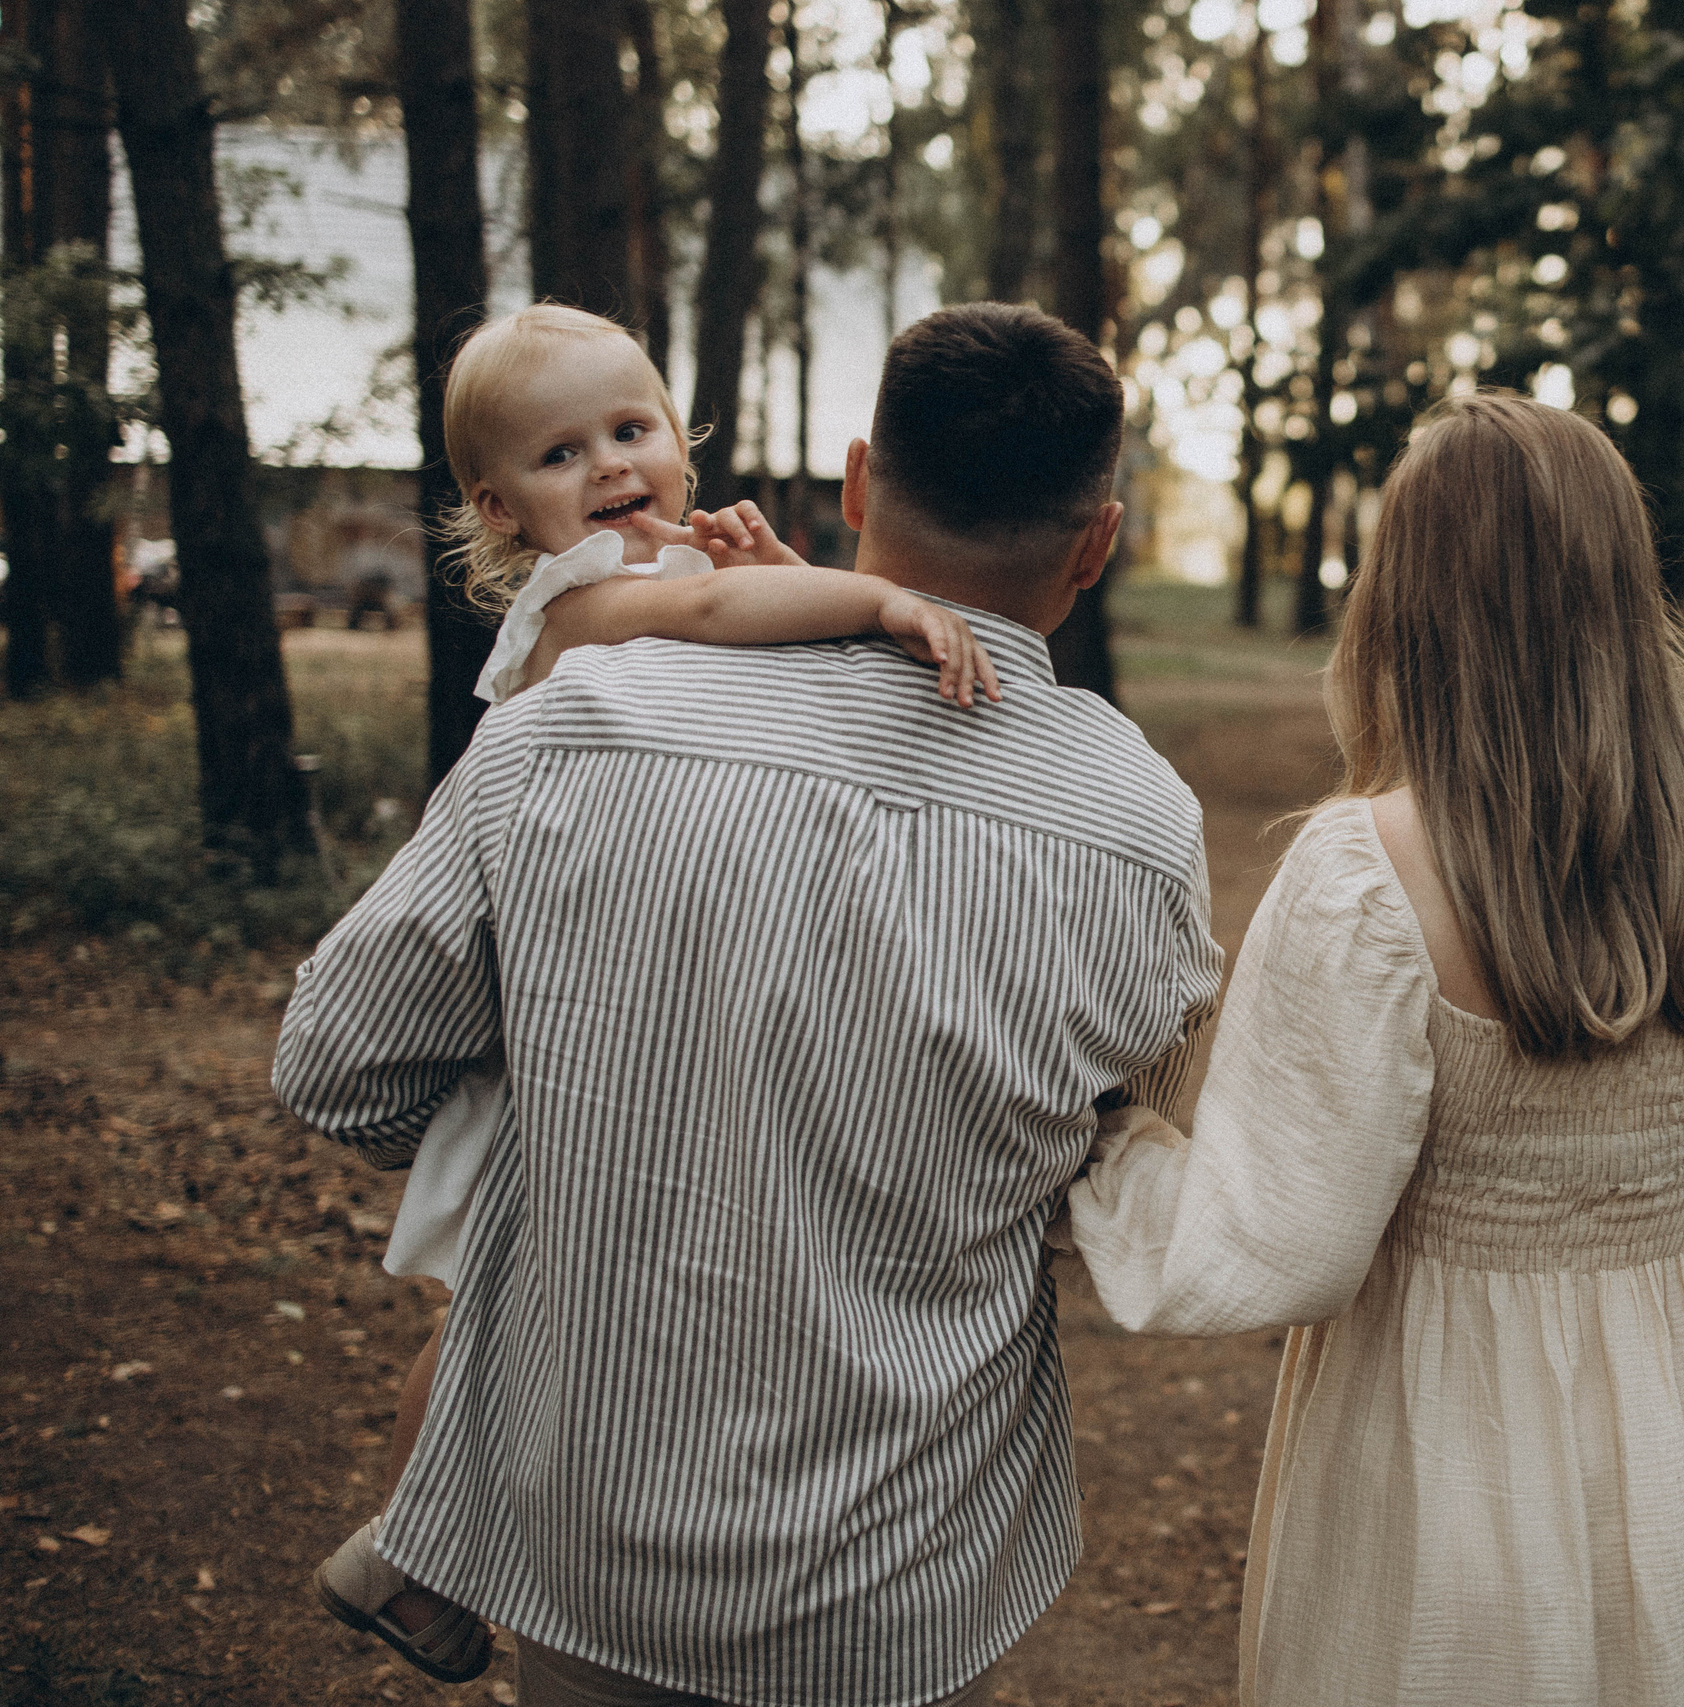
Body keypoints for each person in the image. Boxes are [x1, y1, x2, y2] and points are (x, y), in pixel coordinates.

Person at [276, 302, 1223, 1707]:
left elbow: (335, 1074)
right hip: (905, 1574)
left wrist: (565, 1116)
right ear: (1098, 543)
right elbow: (1151, 1136)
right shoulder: (1138, 828)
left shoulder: (568, 726)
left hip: (594, 1536)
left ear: (852, 487)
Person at [1068, 391, 1684, 1706]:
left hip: (1437, 1451)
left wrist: (1107, 1146)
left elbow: (1273, 1239)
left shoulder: (1365, 874)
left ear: (1408, 599)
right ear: (1625, 584)